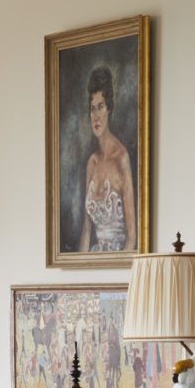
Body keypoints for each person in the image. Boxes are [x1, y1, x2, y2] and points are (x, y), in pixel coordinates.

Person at [78, 65, 136, 253]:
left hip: (119, 263)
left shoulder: (122, 159)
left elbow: (132, 236)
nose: (96, 116)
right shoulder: (92, 163)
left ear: (109, 108)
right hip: (94, 260)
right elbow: (86, 230)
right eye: (92, 109)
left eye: (100, 107)